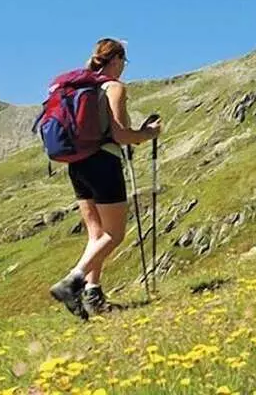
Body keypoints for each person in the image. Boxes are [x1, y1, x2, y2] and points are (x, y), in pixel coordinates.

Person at [49, 38, 162, 319]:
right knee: (114, 234)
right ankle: (72, 281)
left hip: (77, 164)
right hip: (103, 163)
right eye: (123, 61)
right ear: (116, 59)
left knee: (96, 234)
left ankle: (92, 295)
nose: (124, 67)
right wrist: (149, 134)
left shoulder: (79, 88)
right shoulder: (114, 87)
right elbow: (121, 135)